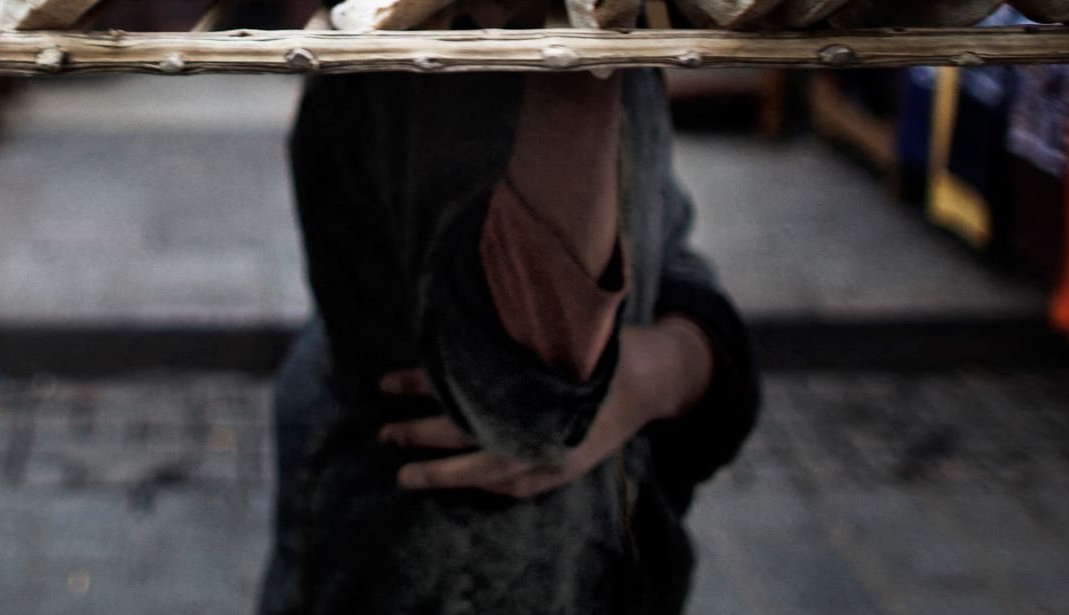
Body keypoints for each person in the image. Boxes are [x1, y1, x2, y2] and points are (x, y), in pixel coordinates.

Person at [259, 65, 758, 614]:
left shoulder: (619, 65)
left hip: (605, 567)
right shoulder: (441, 68)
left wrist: (657, 370)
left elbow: (669, 253)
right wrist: (577, 64)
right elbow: (531, 409)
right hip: (426, 568)